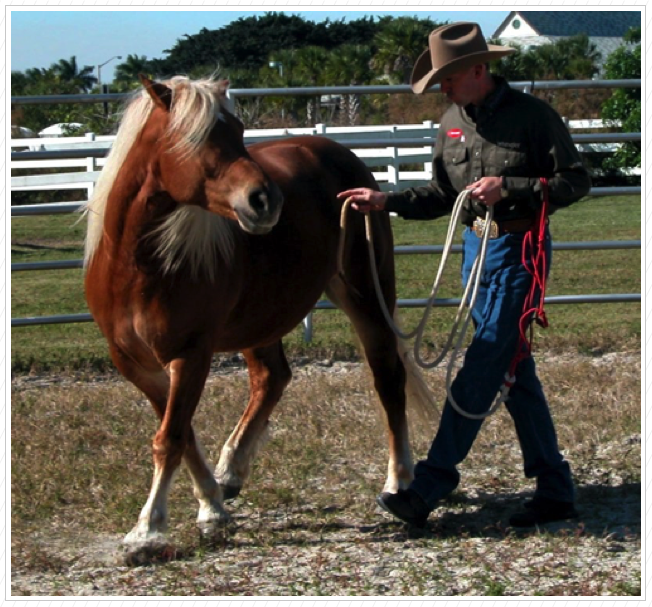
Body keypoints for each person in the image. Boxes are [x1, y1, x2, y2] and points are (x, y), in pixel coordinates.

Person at [338, 22, 591, 528]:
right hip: (476, 252)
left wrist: (514, 187)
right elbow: (439, 194)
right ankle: (555, 485)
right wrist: (385, 202)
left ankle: (431, 482)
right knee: (511, 367)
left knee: (484, 360)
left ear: (478, 70)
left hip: (522, 250)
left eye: (448, 78)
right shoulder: (451, 122)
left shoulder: (534, 118)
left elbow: (577, 180)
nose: (443, 89)